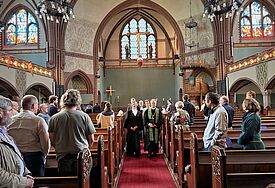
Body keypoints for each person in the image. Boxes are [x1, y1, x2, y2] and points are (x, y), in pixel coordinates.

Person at [48, 89, 96, 176]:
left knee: (66, 183)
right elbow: (91, 139)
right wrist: (85, 148)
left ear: (63, 100)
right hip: (82, 155)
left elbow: (52, 140)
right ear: (78, 101)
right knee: (84, 182)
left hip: (63, 157)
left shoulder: (54, 118)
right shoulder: (84, 116)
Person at [8, 95, 50, 177]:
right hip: (34, 158)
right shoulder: (38, 120)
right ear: (34, 105)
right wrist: (44, 156)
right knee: (36, 182)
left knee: (19, 183)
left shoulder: (11, 120)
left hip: (15, 156)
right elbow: (45, 144)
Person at [0, 95, 34, 187]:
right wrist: (24, 182)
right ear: (0, 112)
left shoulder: (4, 133)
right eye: (10, 110)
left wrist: (26, 173)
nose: (14, 113)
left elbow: (15, 158)